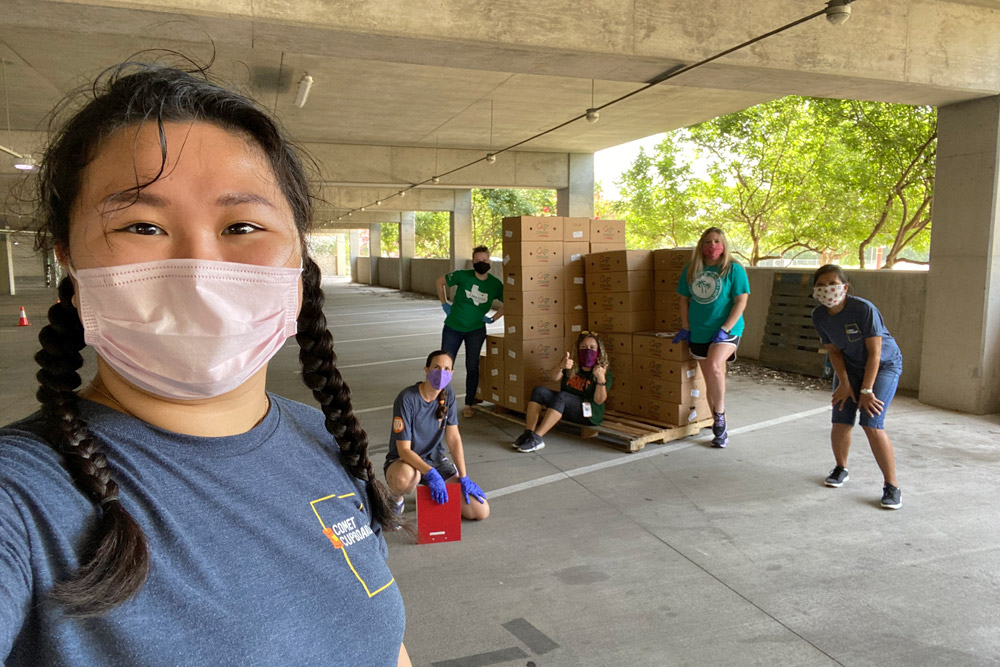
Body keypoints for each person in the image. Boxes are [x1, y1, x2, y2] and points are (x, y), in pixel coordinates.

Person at [0, 62, 410, 665]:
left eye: (242, 225)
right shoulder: (23, 496)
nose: (199, 268)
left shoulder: (322, 438)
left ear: (299, 258)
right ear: (69, 262)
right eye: (142, 225)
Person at [811, 265, 903, 510]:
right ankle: (841, 468)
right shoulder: (819, 315)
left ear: (845, 286)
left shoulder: (863, 309)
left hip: (883, 365)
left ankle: (891, 486)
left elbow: (875, 354)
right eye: (820, 285)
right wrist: (843, 382)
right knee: (841, 418)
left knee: (871, 421)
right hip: (850, 365)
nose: (827, 289)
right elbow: (834, 351)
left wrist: (866, 390)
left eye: (832, 283)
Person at [384, 351, 490, 521]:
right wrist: (431, 473)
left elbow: (454, 438)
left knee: (480, 511)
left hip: (435, 461)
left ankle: (428, 491)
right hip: (404, 462)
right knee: (406, 478)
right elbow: (403, 450)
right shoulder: (407, 398)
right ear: (426, 369)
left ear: (452, 373)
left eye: (447, 369)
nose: (441, 373)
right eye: (436, 367)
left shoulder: (448, 394)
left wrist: (464, 476)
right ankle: (396, 500)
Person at [673, 227, 750, 448]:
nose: (712, 246)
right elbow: (683, 300)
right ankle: (719, 425)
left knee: (716, 365)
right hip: (699, 330)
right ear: (701, 245)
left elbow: (741, 302)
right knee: (710, 379)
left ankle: (721, 415)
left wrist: (726, 328)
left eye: (717, 241)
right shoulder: (692, 269)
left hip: (727, 330)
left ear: (724, 244)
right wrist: (686, 327)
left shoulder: (733, 269)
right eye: (707, 242)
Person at [512, 332, 612, 453]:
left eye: (592, 348)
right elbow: (553, 377)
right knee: (539, 391)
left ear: (599, 351)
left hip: (588, 415)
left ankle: (537, 438)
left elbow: (599, 400)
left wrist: (601, 380)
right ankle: (528, 433)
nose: (588, 351)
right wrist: (561, 366)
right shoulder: (572, 365)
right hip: (564, 408)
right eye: (584, 347)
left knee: (562, 396)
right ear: (578, 349)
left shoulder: (602, 372)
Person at [435, 246, 504, 418]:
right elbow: (440, 281)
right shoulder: (463, 276)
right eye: (478, 261)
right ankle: (441, 402)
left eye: (485, 261)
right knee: (444, 366)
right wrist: (444, 302)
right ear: (472, 262)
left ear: (490, 261)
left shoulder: (495, 284)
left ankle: (468, 403)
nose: (481, 263)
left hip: (476, 330)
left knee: (472, 367)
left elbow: (510, 301)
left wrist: (495, 318)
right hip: (453, 328)